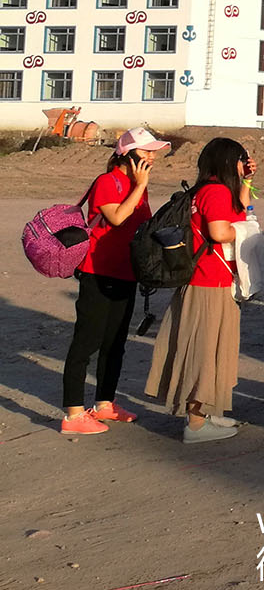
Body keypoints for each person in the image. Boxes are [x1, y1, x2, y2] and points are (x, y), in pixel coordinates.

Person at [61, 128, 171, 433]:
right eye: (146, 151)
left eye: (153, 151)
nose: (152, 156)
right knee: (87, 341)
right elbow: (117, 217)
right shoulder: (106, 181)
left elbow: (143, 226)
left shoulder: (138, 185)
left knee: (115, 343)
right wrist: (140, 186)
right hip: (98, 271)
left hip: (126, 272)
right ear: (128, 154)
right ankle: (72, 413)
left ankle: (104, 404)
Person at [146, 137, 249, 442]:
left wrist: (247, 181)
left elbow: (240, 207)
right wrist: (246, 232)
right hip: (209, 280)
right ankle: (195, 422)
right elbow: (219, 232)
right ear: (229, 162)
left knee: (210, 348)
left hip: (204, 278)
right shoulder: (216, 192)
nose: (244, 165)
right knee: (205, 350)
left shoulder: (205, 190)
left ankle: (203, 413)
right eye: (241, 160)